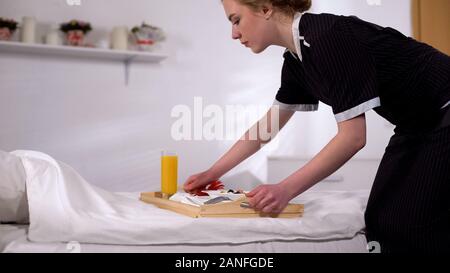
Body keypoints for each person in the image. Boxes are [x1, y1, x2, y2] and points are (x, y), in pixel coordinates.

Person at [183, 0, 450, 253]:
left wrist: (284, 189)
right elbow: (267, 128)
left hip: (444, 112)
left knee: (407, 224)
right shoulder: (296, 60)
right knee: (379, 218)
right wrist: (212, 172)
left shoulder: (327, 37)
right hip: (415, 126)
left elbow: (353, 138)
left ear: (265, 8)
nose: (233, 33)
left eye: (236, 20)